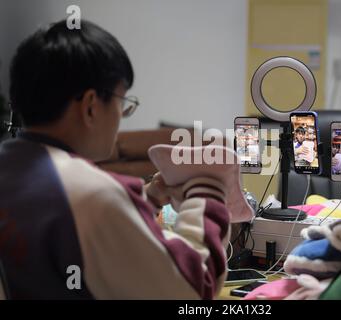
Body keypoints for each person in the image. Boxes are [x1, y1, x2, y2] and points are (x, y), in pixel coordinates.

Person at [0, 20, 230, 299]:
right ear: (91, 106)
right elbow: (194, 289)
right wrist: (208, 190)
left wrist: (146, 199)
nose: (121, 116)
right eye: (123, 103)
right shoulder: (91, 194)